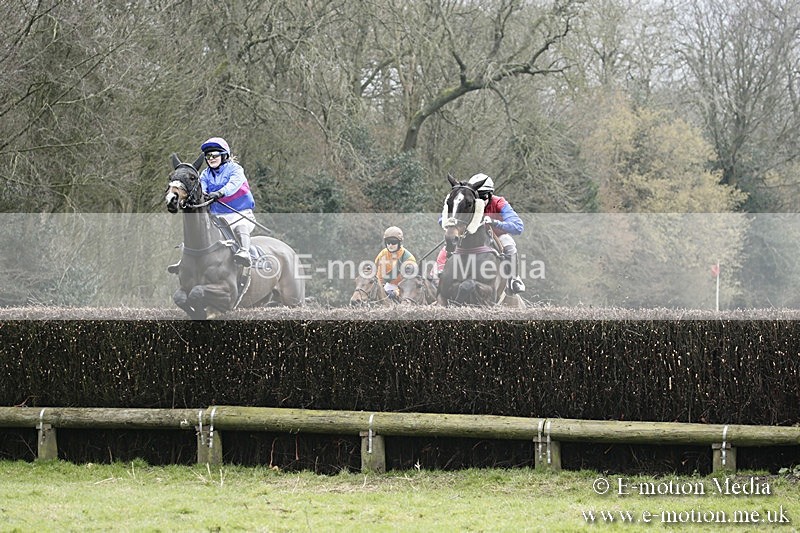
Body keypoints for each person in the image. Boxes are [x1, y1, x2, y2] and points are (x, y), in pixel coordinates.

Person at [199, 137, 256, 267]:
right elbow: (201, 188)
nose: (211, 158)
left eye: (214, 155)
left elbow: (233, 185)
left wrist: (219, 193)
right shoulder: (205, 174)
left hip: (240, 213)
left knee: (240, 226)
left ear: (224, 155)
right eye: (208, 156)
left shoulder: (236, 169)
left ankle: (244, 251)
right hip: (217, 216)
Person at [470, 173, 526, 293]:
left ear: (490, 194)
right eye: (476, 196)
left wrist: (495, 222)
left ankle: (513, 279)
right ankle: (441, 272)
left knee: (509, 243)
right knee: (450, 243)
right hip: (472, 236)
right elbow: (444, 218)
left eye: (483, 196)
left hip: (497, 235)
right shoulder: (468, 203)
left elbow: (518, 227)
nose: (479, 201)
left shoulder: (499, 203)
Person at [374, 226, 417, 300]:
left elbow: (409, 282)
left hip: (405, 289)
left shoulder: (409, 258)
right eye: (388, 242)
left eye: (393, 242)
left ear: (399, 242)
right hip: (389, 286)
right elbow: (379, 277)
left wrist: (396, 292)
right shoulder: (382, 254)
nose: (390, 245)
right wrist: (379, 288)